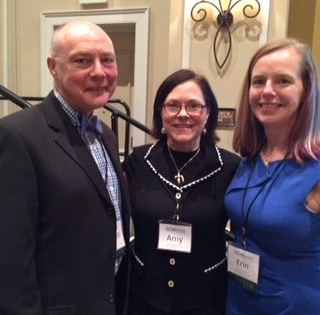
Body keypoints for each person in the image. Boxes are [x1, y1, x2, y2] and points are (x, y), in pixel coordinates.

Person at [0, 20, 131, 315]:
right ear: (53, 67)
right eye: (82, 60)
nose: (99, 72)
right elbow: (10, 260)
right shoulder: (17, 136)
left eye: (107, 60)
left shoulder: (106, 133)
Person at [123, 69, 240, 314]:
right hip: (144, 296)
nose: (183, 114)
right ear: (161, 112)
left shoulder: (230, 167)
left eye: (194, 105)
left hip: (205, 299)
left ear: (208, 113)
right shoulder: (139, 161)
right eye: (173, 105)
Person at [225, 38, 320, 314]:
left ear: (306, 91)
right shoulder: (249, 159)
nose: (267, 91)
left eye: (282, 81)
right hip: (237, 301)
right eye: (258, 82)